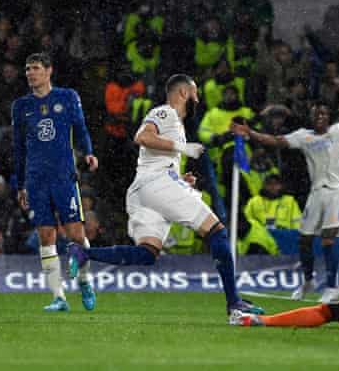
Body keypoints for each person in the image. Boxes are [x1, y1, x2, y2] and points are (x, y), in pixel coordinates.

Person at [67, 74, 264, 317]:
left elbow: (154, 160)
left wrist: (180, 180)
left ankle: (83, 253)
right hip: (156, 185)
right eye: (195, 93)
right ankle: (234, 302)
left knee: (147, 253)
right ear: (183, 93)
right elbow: (142, 137)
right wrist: (183, 148)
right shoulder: (166, 113)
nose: (198, 98)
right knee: (217, 232)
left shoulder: (176, 126)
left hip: (146, 189)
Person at [232, 97, 339, 303]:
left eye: (323, 114)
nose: (320, 116)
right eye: (316, 114)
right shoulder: (304, 136)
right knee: (304, 239)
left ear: (328, 117)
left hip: (336, 191)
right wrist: (250, 133)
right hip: (316, 192)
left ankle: (331, 286)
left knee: (328, 237)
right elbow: (276, 141)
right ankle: (308, 281)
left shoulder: (338, 131)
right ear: (311, 117)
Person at [11, 52, 99, 312]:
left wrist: (89, 152)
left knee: (76, 235)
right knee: (45, 236)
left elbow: (81, 128)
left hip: (63, 176)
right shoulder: (21, 106)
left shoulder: (67, 97)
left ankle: (84, 281)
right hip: (36, 179)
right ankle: (58, 297)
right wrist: (20, 184)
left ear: (49, 71)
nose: (30, 73)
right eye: (27, 69)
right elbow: (18, 147)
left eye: (35, 68)